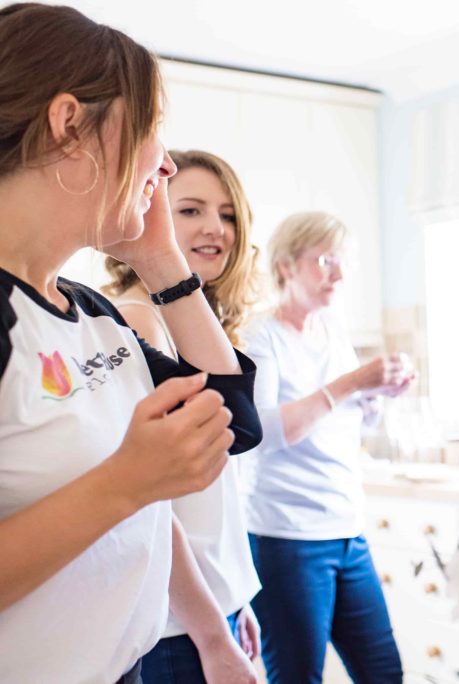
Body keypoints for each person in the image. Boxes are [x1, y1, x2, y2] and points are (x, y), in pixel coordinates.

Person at [0, 5, 262, 683]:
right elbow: (137, 483)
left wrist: (163, 263)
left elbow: (230, 423)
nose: (165, 162)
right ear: (68, 126)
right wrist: (124, 483)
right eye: (151, 131)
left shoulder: (94, 315)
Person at [105, 149, 263, 682]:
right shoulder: (138, 319)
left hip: (216, 605)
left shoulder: (197, 326)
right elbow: (153, 506)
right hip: (178, 627)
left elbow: (216, 497)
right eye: (191, 210)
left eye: (228, 214)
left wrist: (237, 600)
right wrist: (210, 632)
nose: (215, 228)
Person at [244, 211, 413, 684]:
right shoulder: (261, 337)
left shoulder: (332, 332)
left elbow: (351, 419)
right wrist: (354, 382)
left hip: (347, 531)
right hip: (288, 539)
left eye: (343, 262)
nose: (338, 274)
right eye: (324, 260)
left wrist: (380, 394)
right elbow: (264, 432)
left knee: (384, 674)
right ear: (285, 266)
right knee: (298, 677)